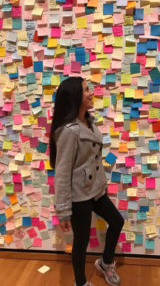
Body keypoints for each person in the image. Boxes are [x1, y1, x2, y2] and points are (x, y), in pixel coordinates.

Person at [49, 77, 124, 286]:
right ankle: (80, 283)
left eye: (89, 88)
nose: (91, 93)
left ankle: (106, 262)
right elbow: (62, 173)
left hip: (96, 190)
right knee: (81, 242)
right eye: (85, 90)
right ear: (74, 97)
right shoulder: (69, 131)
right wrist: (63, 210)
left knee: (117, 221)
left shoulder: (88, 121)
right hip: (79, 196)